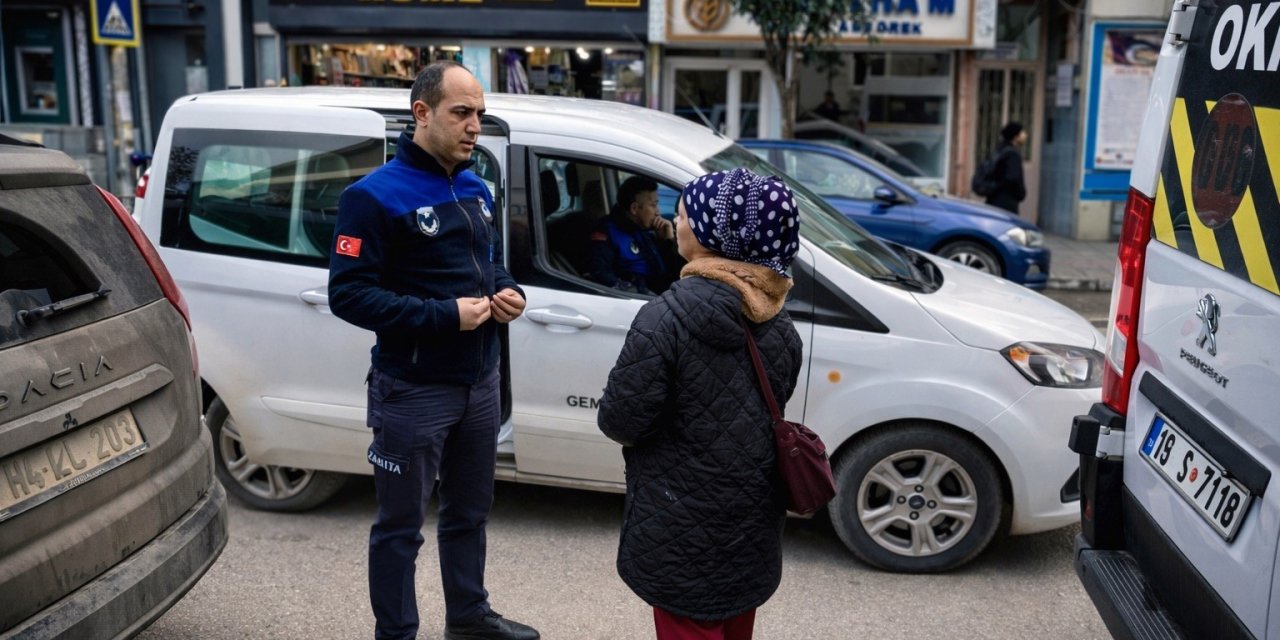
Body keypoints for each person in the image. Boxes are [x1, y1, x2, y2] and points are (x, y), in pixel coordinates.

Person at [327, 61, 539, 640]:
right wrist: (444, 316)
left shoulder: (474, 185)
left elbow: (487, 262)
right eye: (462, 113)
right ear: (422, 113)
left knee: (468, 514)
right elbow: (348, 296)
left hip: (480, 382)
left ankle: (468, 618)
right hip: (413, 390)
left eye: (481, 114)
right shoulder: (371, 197)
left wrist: (505, 288)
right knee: (400, 528)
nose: (475, 126)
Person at [597, 168, 805, 640]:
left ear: (715, 232)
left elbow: (621, 421)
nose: (677, 220)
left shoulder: (663, 319)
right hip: (752, 522)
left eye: (686, 212)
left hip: (680, 523)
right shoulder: (778, 321)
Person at [586, 175, 680, 294]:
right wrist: (637, 291)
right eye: (653, 205)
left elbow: (668, 272)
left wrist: (667, 240)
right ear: (634, 208)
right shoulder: (607, 231)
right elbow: (599, 272)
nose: (658, 212)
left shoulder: (646, 229)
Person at [985, 121, 1029, 214]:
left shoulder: (1000, 150)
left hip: (994, 199)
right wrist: (1020, 193)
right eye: (1023, 132)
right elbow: (1012, 178)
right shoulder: (1012, 154)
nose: (1025, 135)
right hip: (1006, 202)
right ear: (1016, 136)